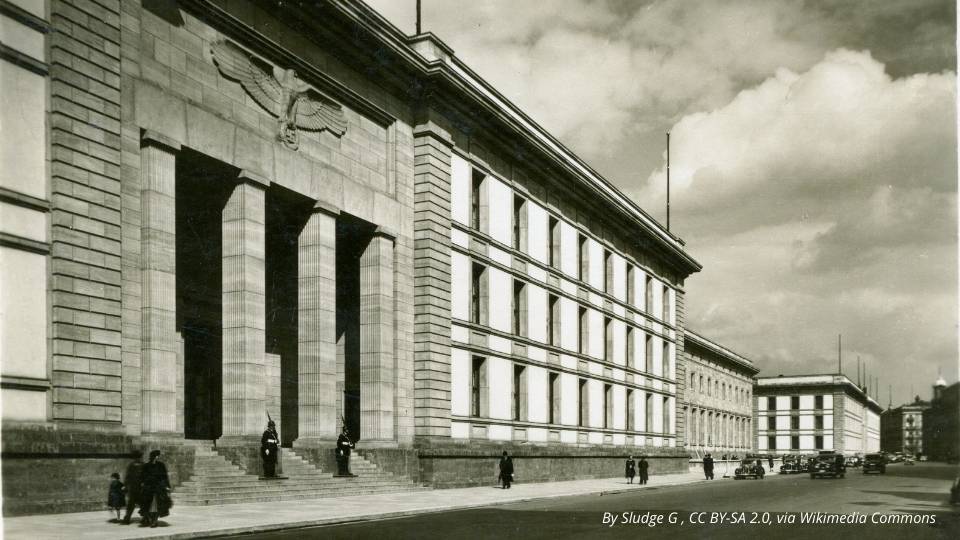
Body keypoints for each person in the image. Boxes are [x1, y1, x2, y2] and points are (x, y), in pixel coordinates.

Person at [139, 450, 171, 528]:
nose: (158, 457)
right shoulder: (146, 466)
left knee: (157, 505)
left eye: (158, 456)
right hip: (149, 488)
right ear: (154, 456)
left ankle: (154, 521)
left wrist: (167, 486)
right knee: (147, 505)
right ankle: (149, 519)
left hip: (158, 488)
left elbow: (164, 476)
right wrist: (142, 484)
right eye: (157, 455)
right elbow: (142, 476)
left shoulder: (161, 465)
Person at [121, 449, 143, 524]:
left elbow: (128, 477)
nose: (137, 459)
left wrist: (125, 485)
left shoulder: (133, 465)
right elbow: (128, 477)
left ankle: (128, 518)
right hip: (136, 488)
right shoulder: (140, 465)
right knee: (134, 504)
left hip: (136, 488)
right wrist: (125, 485)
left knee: (134, 504)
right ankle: (127, 518)